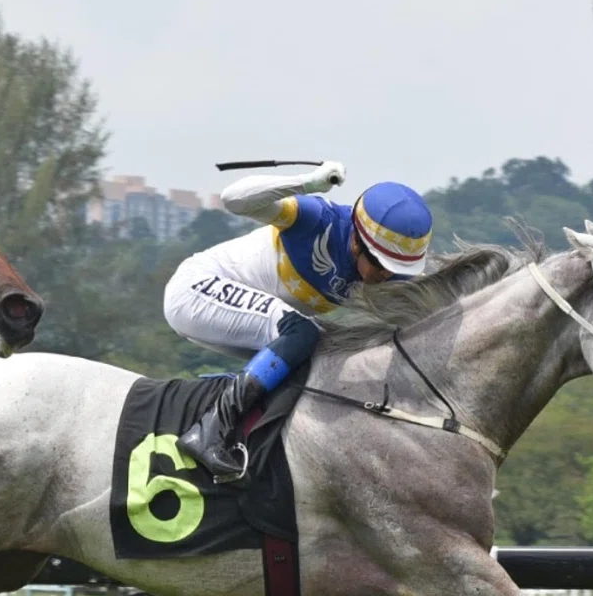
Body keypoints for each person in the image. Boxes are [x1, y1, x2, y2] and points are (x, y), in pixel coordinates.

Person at [162, 162, 433, 483]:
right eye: (380, 264)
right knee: (303, 332)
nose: (386, 276)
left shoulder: (386, 269)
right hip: (196, 290)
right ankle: (208, 432)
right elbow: (233, 198)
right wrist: (308, 183)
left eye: (395, 269)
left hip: (244, 320)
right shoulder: (316, 220)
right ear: (357, 241)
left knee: (323, 360)